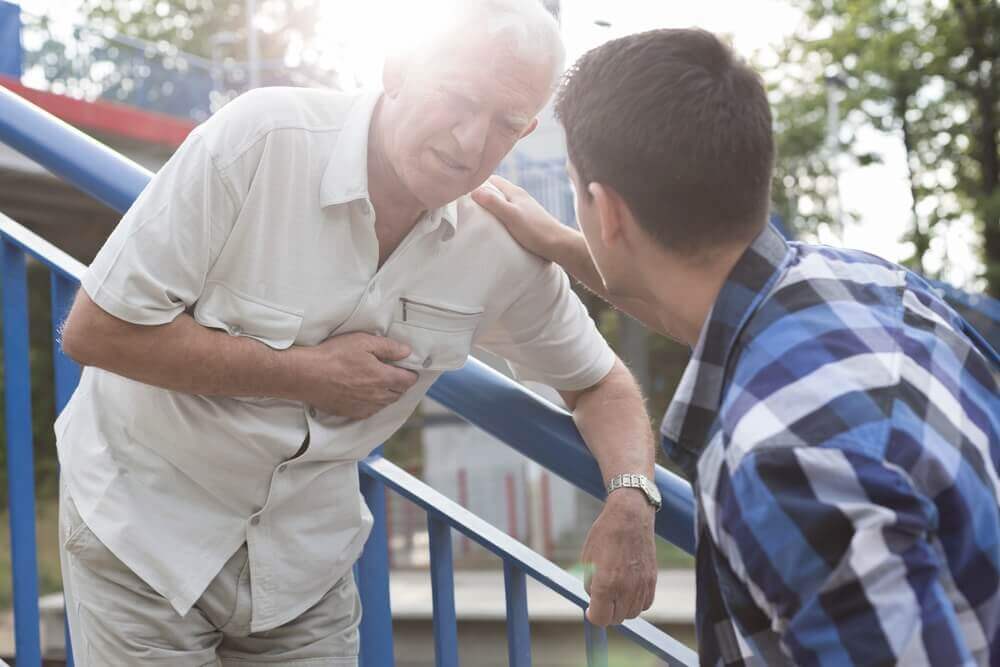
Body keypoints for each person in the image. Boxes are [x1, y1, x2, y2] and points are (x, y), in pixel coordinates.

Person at [55, 2, 663, 664]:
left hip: (302, 571)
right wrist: (306, 373)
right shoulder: (261, 139)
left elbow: (600, 382)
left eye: (505, 123)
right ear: (398, 66)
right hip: (141, 531)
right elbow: (97, 331)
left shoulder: (503, 243)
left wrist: (632, 499)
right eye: (457, 99)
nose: (469, 141)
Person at [473, 27, 1000, 666]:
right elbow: (713, 307)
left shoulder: (782, 457)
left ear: (606, 211)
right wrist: (563, 244)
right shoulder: (875, 284)